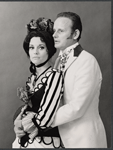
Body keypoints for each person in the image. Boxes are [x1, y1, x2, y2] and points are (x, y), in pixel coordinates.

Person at [51, 12, 107, 148]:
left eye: (60, 31)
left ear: (75, 34)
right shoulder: (58, 60)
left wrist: (43, 119)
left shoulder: (87, 61)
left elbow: (77, 107)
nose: (54, 35)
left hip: (84, 139)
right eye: (54, 31)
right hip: (61, 137)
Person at [12, 17, 64, 148]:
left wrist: (26, 124)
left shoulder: (54, 76)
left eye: (41, 47)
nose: (35, 52)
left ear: (49, 50)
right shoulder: (32, 78)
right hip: (26, 140)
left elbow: (47, 115)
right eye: (31, 47)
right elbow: (30, 107)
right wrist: (18, 122)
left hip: (44, 142)